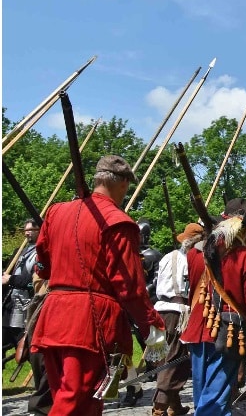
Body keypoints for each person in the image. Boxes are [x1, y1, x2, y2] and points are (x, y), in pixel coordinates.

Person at [31, 155, 167, 416]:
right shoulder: (119, 222)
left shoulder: (56, 212)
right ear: (124, 184)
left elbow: (43, 265)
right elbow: (128, 286)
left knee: (71, 396)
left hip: (54, 315)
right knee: (76, 402)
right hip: (89, 322)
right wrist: (151, 322)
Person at [180, 197, 246, 416]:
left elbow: (193, 290)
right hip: (227, 331)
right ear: (245, 228)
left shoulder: (196, 253)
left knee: (203, 397)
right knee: (214, 402)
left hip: (199, 326)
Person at [151, 222, 204, 416]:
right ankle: (160, 407)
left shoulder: (167, 256)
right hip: (178, 312)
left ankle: (175, 405)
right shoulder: (190, 259)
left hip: (161, 309)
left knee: (168, 359)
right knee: (174, 360)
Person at [3, 219, 40, 354]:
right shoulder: (18, 252)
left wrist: (11, 279)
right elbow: (8, 273)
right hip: (9, 309)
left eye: (30, 230)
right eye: (25, 230)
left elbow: (34, 282)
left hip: (27, 310)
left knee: (30, 353)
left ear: (39, 230)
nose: (27, 233)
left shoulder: (42, 253)